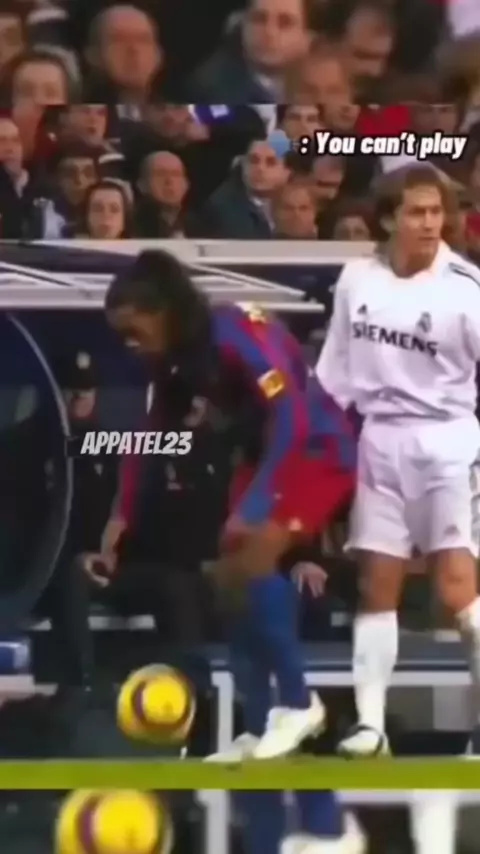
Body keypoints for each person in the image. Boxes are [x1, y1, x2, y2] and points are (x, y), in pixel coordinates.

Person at [95, 249, 361, 854]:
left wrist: (259, 501)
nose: (129, 345)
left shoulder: (237, 332)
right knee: (226, 582)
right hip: (262, 459)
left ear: (165, 311)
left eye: (134, 331)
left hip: (315, 451)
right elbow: (147, 440)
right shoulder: (172, 363)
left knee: (254, 551)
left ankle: (300, 705)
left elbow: (291, 417)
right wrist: (121, 514)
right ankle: (266, 721)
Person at [316, 162, 480, 758]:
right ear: (388, 219)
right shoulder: (356, 279)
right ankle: (371, 727)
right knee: (375, 583)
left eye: (437, 212)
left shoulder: (466, 288)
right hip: (379, 439)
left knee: (457, 590)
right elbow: (334, 373)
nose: (430, 223)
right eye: (417, 212)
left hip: (448, 440)